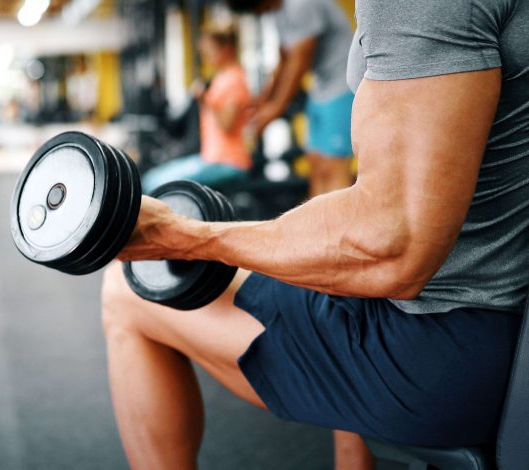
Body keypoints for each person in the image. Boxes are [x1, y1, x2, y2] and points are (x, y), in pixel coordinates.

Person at [100, 1, 529, 470]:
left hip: (444, 356)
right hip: (496, 326)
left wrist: (186, 236)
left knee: (126, 291)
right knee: (333, 272)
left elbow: (392, 246)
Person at [242, 0, 355, 197]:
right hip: (320, 88)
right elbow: (284, 58)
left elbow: (299, 60)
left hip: (342, 85)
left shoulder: (301, 4)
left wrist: (275, 108)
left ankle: (341, 227)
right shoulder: (278, 11)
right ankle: (318, 226)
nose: (262, 12)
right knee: (316, 163)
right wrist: (263, 100)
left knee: (334, 165)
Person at [142, 24, 252, 193]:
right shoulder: (221, 78)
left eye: (211, 51)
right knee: (151, 179)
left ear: (226, 48)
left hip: (229, 162)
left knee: (156, 184)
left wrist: (205, 99)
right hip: (211, 158)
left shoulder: (234, 79)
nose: (207, 57)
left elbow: (227, 124)